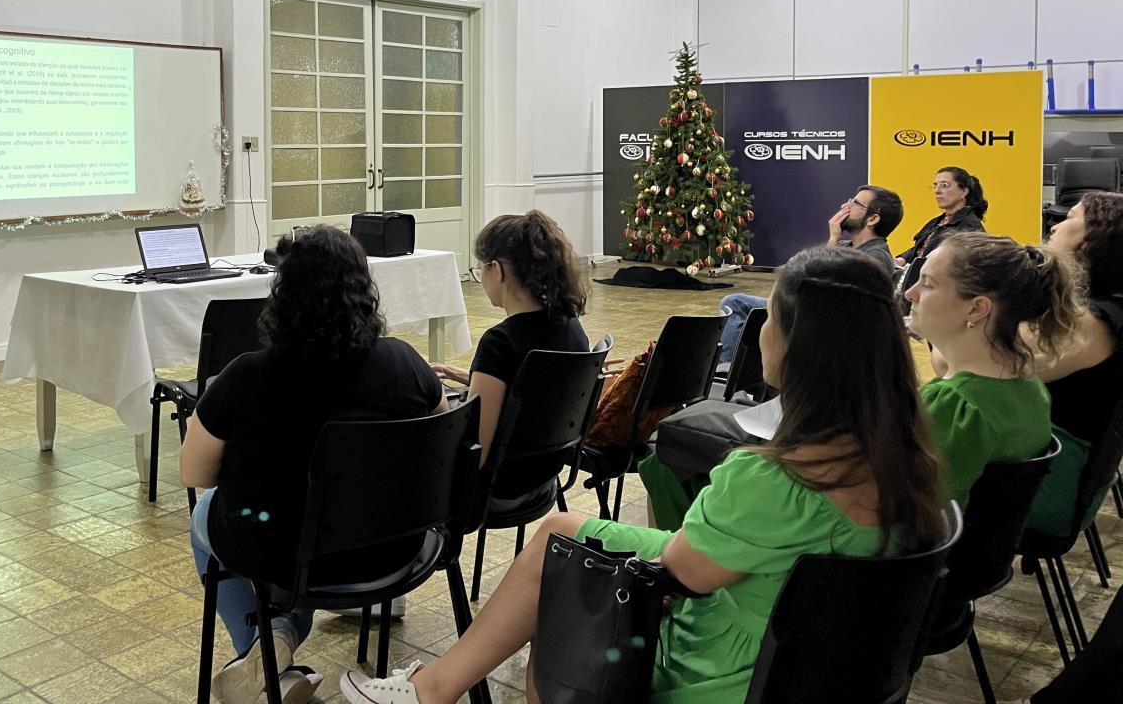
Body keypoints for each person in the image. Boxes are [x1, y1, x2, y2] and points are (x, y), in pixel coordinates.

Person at [341, 246, 945, 704]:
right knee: (561, 532)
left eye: (772, 318)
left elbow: (683, 572)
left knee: (562, 585)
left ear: (802, 345)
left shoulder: (776, 480)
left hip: (729, 675)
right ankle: (434, 688)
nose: (761, 330)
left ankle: (431, 690)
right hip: (830, 667)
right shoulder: (906, 455)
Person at [181, 225, 445, 704]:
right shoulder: (405, 364)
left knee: (206, 516)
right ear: (364, 292)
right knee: (299, 539)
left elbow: (194, 475)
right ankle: (276, 662)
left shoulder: (246, 376)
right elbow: (440, 447)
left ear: (283, 294)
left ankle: (266, 654)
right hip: (393, 550)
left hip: (287, 553)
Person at [905, 232, 1078, 508]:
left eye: (927, 284)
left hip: (937, 544)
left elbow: (906, 507)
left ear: (976, 309)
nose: (910, 293)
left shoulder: (954, 406)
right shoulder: (1028, 385)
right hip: (982, 546)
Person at [429, 210, 590, 486]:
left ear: (497, 269)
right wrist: (474, 378)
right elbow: (534, 391)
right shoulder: (571, 327)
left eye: (481, 269)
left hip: (500, 488)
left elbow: (476, 453)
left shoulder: (500, 343)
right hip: (545, 479)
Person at [715, 184, 903, 363]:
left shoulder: (874, 258)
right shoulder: (850, 247)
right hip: (806, 310)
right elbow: (788, 270)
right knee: (736, 302)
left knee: (737, 304)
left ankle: (729, 372)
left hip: (817, 322)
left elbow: (823, 290)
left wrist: (833, 240)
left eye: (854, 203)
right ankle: (733, 371)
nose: (844, 206)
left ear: (872, 219)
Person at [1026, 192, 1123, 534]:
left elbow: (992, 373)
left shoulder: (1096, 321)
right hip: (1052, 460)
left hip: (1049, 478)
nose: (1055, 225)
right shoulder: (1102, 311)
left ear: (1093, 239)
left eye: (1070, 217)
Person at [895, 166, 987, 308]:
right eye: (935, 186)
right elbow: (920, 248)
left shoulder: (970, 227)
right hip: (919, 288)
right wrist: (902, 259)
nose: (937, 191)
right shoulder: (937, 221)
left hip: (939, 296)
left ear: (964, 191)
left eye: (945, 185)